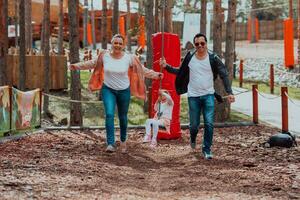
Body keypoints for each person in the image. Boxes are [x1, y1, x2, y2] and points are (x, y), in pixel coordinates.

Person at [69, 34, 163, 153]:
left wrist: (155, 75)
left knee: (123, 117)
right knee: (109, 114)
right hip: (108, 90)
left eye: (120, 43)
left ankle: (123, 141)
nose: (117, 45)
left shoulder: (129, 58)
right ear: (111, 44)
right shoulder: (104, 56)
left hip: (124, 91)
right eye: (115, 43)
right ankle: (110, 143)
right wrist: (75, 66)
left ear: (123, 45)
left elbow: (142, 70)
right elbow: (91, 63)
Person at [160, 33, 235, 160]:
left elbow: (224, 74)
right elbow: (180, 71)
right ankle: (193, 137)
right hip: (193, 96)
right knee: (194, 125)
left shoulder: (213, 58)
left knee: (209, 123)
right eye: (197, 44)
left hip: (208, 95)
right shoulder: (190, 57)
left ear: (206, 44)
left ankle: (207, 149)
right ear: (195, 45)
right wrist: (166, 67)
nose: (200, 46)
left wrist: (229, 92)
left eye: (202, 43)